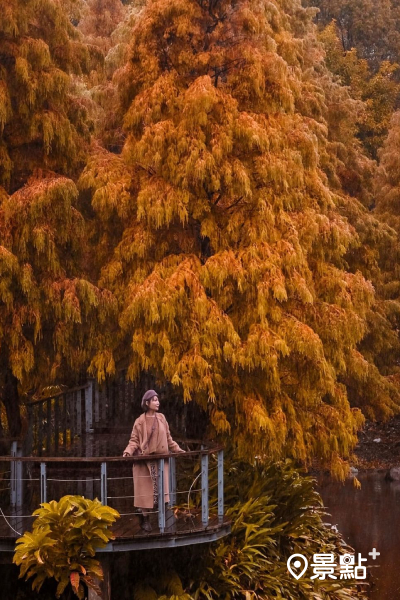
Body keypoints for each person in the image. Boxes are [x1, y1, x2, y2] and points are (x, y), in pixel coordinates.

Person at [122, 389, 184, 532]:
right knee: (145, 493)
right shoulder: (139, 421)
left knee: (159, 493)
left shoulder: (162, 418)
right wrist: (128, 451)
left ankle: (160, 522)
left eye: (158, 399)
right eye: (154, 400)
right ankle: (144, 518)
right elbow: (134, 441)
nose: (158, 402)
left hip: (161, 462)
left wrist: (177, 449)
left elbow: (169, 439)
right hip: (145, 462)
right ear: (147, 403)